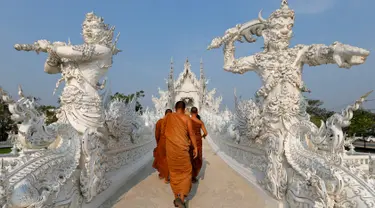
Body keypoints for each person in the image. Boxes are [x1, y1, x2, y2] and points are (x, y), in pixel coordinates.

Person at [164, 101, 198, 208]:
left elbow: (163, 131)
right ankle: (182, 197)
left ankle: (176, 196)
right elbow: (191, 133)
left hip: (171, 150)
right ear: (184, 109)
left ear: (175, 108)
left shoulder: (169, 117)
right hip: (182, 150)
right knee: (186, 172)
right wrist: (195, 147)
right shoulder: (187, 118)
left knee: (174, 173)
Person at [153, 109, 172, 183]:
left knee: (161, 158)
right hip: (170, 143)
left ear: (165, 114)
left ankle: (162, 174)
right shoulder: (173, 123)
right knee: (168, 159)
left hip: (162, 142)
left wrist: (158, 142)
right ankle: (166, 177)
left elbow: (157, 134)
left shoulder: (160, 122)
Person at [189, 107, 208, 183]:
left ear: (191, 113)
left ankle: (188, 174)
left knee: (190, 157)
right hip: (198, 141)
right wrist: (202, 136)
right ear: (197, 113)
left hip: (190, 141)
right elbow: (206, 133)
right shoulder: (200, 122)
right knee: (197, 158)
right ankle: (193, 176)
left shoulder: (188, 120)